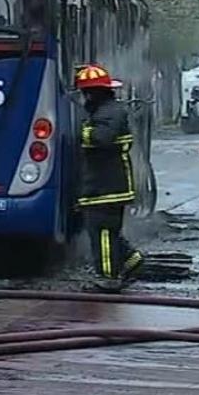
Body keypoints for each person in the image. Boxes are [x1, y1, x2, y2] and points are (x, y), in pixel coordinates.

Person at [75, 63, 143, 290]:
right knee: (107, 230)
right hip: (105, 184)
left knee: (102, 232)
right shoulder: (108, 110)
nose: (84, 98)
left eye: (85, 93)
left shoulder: (108, 114)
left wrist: (81, 130)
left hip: (107, 186)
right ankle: (131, 260)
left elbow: (101, 138)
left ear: (92, 93)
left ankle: (108, 278)